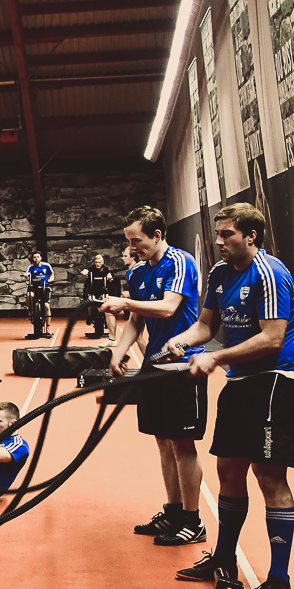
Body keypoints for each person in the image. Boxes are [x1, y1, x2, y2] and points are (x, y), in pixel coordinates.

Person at [165, 204, 294, 589]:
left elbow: (273, 338)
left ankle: (279, 580)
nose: (219, 241)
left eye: (228, 234)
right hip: (240, 381)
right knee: (228, 467)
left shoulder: (269, 273)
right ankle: (224, 560)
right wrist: (184, 342)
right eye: (218, 234)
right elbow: (207, 327)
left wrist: (216, 358)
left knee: (268, 476)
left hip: (277, 380)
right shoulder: (219, 273)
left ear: (251, 237)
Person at [100, 206, 207, 548]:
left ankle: (193, 520)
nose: (133, 247)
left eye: (138, 240)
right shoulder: (137, 274)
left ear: (157, 236)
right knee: (162, 441)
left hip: (182, 365)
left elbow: (167, 307)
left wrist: (125, 303)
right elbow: (137, 322)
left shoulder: (179, 262)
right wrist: (119, 352)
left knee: (182, 443)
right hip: (153, 365)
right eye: (129, 241)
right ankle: (174, 512)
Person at [81, 255, 118, 343]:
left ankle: (104, 320)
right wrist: (84, 272)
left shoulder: (105, 269)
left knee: (104, 302)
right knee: (90, 301)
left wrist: (110, 278)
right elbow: (85, 271)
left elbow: (110, 276)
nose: (98, 264)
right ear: (94, 262)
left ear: (103, 262)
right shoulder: (92, 269)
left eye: (100, 262)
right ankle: (90, 317)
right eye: (97, 262)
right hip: (93, 290)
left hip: (102, 290)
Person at [25, 251, 54, 336]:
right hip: (34, 287)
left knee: (46, 306)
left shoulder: (46, 265)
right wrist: (26, 275)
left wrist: (50, 279)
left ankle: (48, 327)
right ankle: (30, 311)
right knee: (29, 295)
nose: (36, 259)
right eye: (34, 257)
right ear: (33, 259)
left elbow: (52, 274)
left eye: (38, 257)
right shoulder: (31, 267)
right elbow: (28, 273)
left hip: (44, 287)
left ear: (40, 258)